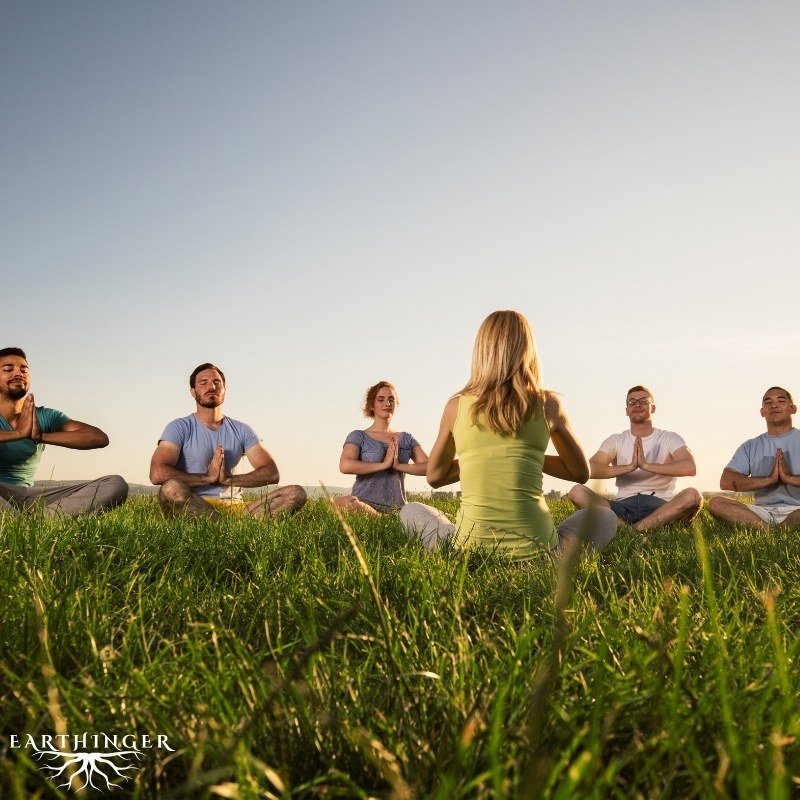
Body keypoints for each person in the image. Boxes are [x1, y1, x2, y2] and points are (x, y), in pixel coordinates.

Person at [410, 310, 617, 555]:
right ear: (528, 350)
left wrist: (480, 459)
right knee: (604, 516)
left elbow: (434, 477)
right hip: (542, 553)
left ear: (481, 351)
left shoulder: (456, 406)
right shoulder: (548, 405)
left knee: (411, 510)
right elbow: (580, 472)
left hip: (466, 553)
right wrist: (524, 459)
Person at [150, 363, 306, 518]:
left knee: (296, 493)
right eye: (203, 382)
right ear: (193, 392)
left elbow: (272, 473)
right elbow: (157, 473)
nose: (211, 386)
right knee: (170, 489)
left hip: (238, 510)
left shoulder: (242, 430)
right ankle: (223, 528)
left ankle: (231, 526)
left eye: (217, 382)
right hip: (195, 507)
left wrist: (228, 480)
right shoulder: (179, 427)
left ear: (224, 390)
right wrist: (207, 478)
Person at [0, 347, 128, 517]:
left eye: (24, 369)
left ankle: (37, 523)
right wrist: (19, 433)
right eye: (8, 369)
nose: (18, 373)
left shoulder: (44, 416)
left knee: (115, 484)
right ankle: (24, 525)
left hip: (29, 497)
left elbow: (98, 438)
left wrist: (41, 436)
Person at [567, 386, 702, 532]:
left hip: (662, 507)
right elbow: (590, 469)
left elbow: (689, 467)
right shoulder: (616, 440)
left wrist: (645, 465)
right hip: (623, 507)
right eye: (632, 402)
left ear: (653, 408)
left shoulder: (669, 438)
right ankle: (631, 528)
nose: (637, 404)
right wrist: (629, 467)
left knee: (693, 495)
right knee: (577, 492)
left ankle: (631, 530)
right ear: (626, 410)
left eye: (643, 401)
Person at [708, 387, 800, 528]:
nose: (774, 405)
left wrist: (789, 478)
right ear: (762, 412)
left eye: (781, 401)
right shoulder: (750, 445)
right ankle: (769, 529)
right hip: (761, 512)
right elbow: (726, 481)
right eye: (768, 403)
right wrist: (769, 480)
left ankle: (775, 530)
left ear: (793, 409)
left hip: (797, 509)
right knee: (716, 503)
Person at [334, 381, 429, 515]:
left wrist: (398, 466)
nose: (387, 403)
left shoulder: (406, 438)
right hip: (364, 505)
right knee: (340, 503)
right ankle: (379, 518)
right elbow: (345, 465)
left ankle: (390, 518)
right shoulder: (358, 436)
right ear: (371, 405)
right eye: (381, 399)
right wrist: (384, 464)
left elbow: (429, 467)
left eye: (391, 399)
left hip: (398, 508)